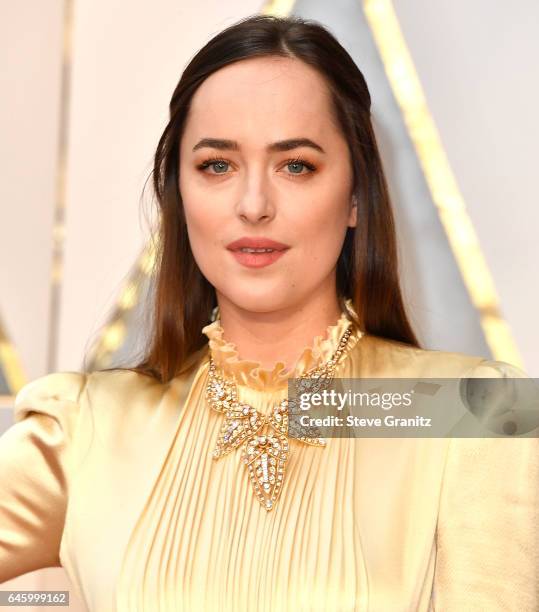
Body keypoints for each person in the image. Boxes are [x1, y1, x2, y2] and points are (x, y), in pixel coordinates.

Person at [1, 14, 537, 612]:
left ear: (356, 196)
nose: (253, 205)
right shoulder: (86, 426)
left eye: (296, 165)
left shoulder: (469, 415)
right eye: (217, 166)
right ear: (178, 195)